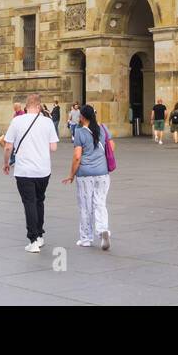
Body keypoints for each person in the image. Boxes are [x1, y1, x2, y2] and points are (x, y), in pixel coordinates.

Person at [2, 92, 58, 252]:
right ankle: (40, 235)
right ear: (39, 106)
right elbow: (53, 147)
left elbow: (8, 146)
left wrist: (6, 163)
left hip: (24, 170)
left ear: (26, 107)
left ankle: (33, 240)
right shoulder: (47, 122)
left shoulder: (17, 121)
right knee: (40, 201)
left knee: (29, 202)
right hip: (43, 170)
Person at [63, 103, 111, 249]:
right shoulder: (103, 128)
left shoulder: (80, 132)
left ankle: (86, 238)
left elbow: (77, 157)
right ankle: (103, 229)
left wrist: (71, 175)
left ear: (82, 117)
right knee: (100, 203)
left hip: (85, 175)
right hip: (102, 173)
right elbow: (111, 147)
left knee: (85, 206)